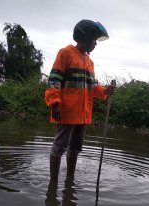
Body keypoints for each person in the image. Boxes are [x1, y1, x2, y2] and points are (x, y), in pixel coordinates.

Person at [45, 19, 114, 182]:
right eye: (94, 40)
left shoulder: (90, 63)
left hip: (83, 113)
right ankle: (53, 184)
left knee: (75, 148)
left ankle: (70, 180)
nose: (96, 44)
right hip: (67, 111)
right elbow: (54, 80)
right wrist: (55, 103)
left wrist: (105, 91)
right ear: (85, 37)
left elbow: (92, 87)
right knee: (59, 146)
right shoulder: (66, 53)